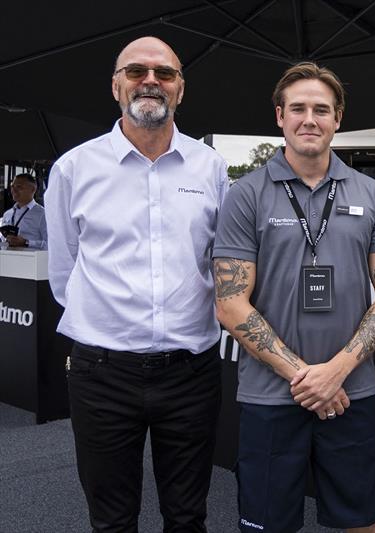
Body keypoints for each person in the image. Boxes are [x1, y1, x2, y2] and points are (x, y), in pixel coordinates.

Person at [44, 37, 228, 532]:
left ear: (181, 90)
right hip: (101, 373)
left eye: (164, 73)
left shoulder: (211, 169)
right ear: (116, 85)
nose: (151, 81)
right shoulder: (73, 169)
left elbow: (217, 261)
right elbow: (64, 273)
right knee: (111, 520)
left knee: (187, 517)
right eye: (136, 71)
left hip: (191, 372)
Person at [213, 62, 375, 533]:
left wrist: (335, 372)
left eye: (322, 109)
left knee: (364, 523)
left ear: (338, 118)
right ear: (279, 116)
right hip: (271, 397)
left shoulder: (370, 194)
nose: (309, 119)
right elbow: (230, 304)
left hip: (352, 393)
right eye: (298, 108)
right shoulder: (246, 194)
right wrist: (305, 378)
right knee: (268, 526)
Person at [0, 173, 47, 249]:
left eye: (19, 187)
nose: (14, 190)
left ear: (33, 189)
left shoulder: (43, 214)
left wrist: (26, 242)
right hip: (8, 258)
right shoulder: (7, 214)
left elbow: (51, 244)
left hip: (32, 260)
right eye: (12, 186)